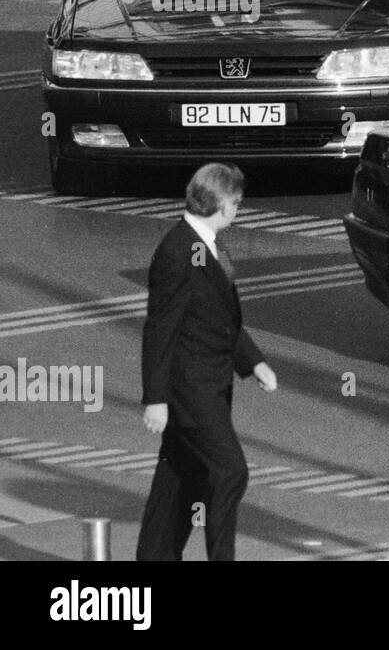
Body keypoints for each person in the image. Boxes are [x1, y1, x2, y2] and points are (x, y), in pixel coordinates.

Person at [137, 163, 277, 561]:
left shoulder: (207, 243)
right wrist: (157, 398)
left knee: (181, 473)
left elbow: (217, 318)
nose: (238, 210)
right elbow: (160, 328)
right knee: (231, 471)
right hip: (190, 390)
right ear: (222, 205)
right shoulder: (177, 251)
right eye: (236, 203)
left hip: (210, 385)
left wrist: (254, 363)